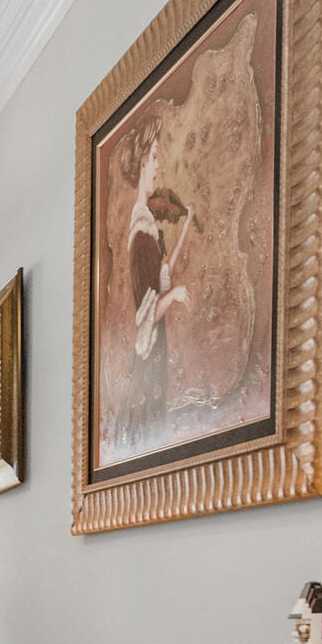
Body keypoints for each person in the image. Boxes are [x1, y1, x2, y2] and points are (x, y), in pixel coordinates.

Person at [120, 133, 190, 444]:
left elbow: (161, 280)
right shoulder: (142, 236)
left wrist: (184, 231)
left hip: (153, 354)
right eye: (155, 157)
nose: (158, 166)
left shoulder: (147, 230)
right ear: (143, 162)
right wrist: (173, 297)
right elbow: (147, 314)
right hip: (147, 358)